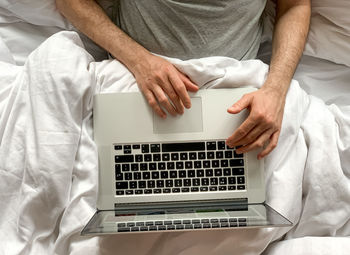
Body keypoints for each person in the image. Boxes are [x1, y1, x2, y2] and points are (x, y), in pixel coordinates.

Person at [56, 0, 311, 159]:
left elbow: (295, 5)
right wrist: (139, 61)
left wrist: (275, 91)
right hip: (135, 80)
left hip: (239, 93)